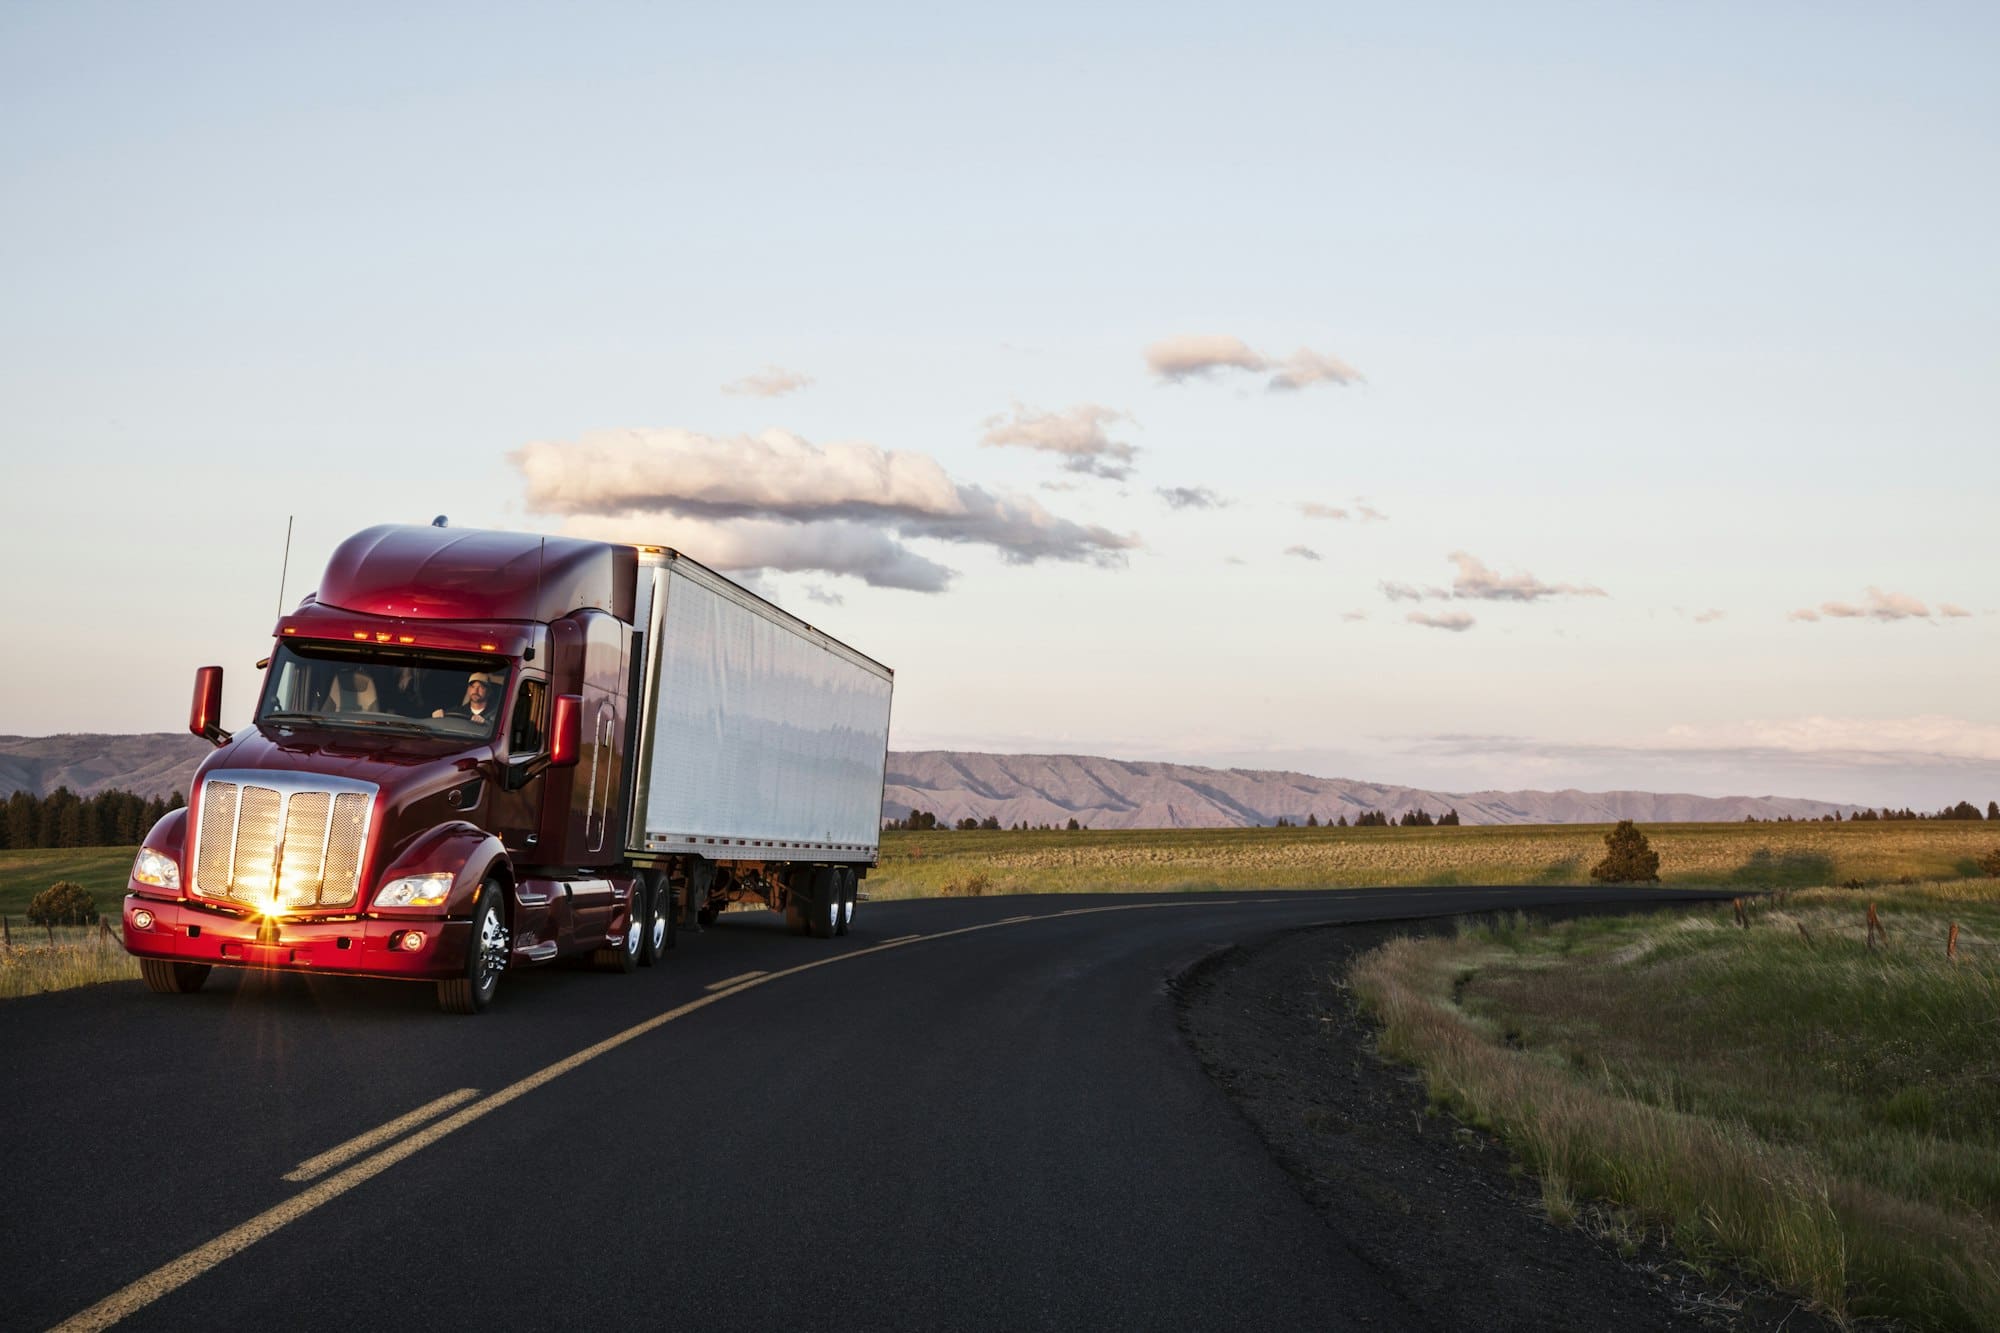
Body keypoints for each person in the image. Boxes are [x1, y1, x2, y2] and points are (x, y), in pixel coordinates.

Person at [434, 671, 502, 726]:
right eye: (472, 686)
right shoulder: (457, 711)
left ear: (489, 692)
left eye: (481, 687)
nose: (475, 691)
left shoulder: (496, 714)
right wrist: (438, 717)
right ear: (468, 689)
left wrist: (486, 724)